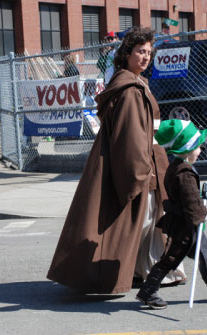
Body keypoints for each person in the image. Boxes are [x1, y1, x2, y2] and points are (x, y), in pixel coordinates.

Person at [47, 26, 174, 294]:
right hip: (137, 162)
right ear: (127, 53)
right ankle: (121, 273)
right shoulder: (129, 88)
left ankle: (144, 271)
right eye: (141, 51)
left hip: (144, 159)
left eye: (149, 53)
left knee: (148, 222)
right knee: (139, 222)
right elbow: (130, 136)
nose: (146, 57)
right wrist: (140, 172)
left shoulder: (136, 83)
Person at [136, 119, 207, 310]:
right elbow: (191, 202)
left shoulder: (177, 167)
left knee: (205, 255)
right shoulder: (183, 173)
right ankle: (148, 291)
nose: (200, 150)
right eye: (197, 147)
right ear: (186, 148)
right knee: (170, 259)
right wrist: (202, 215)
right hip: (186, 226)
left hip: (189, 223)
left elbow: (190, 198)